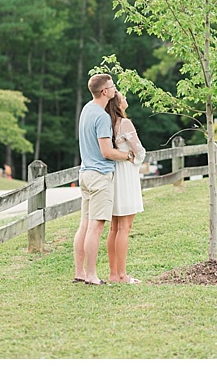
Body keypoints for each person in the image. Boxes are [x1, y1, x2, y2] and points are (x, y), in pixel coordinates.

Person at [73, 74, 135, 286]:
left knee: (83, 225)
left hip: (85, 174)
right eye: (112, 86)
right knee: (95, 228)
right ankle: (91, 275)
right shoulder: (101, 117)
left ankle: (80, 272)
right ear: (104, 92)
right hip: (99, 176)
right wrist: (127, 156)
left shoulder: (86, 109)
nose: (115, 89)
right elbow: (107, 152)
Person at [106, 92, 144, 284]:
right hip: (126, 175)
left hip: (113, 175)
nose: (126, 99)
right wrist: (133, 156)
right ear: (117, 103)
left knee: (114, 227)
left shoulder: (108, 124)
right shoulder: (125, 124)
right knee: (124, 227)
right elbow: (140, 152)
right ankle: (121, 275)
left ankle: (113, 274)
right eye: (122, 97)